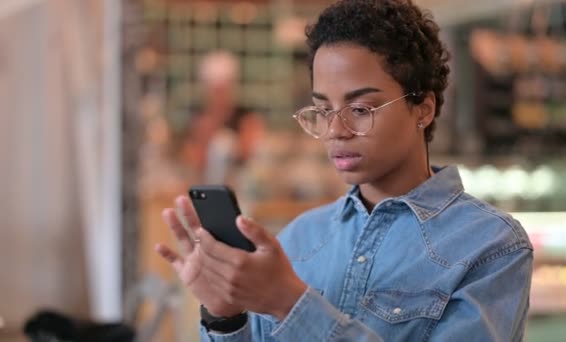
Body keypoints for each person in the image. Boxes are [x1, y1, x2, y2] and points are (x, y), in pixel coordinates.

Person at [155, 0, 534, 341]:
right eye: (322, 111)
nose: (335, 131)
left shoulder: (490, 247)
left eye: (361, 109)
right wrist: (224, 319)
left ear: (424, 107)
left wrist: (291, 303)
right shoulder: (299, 239)